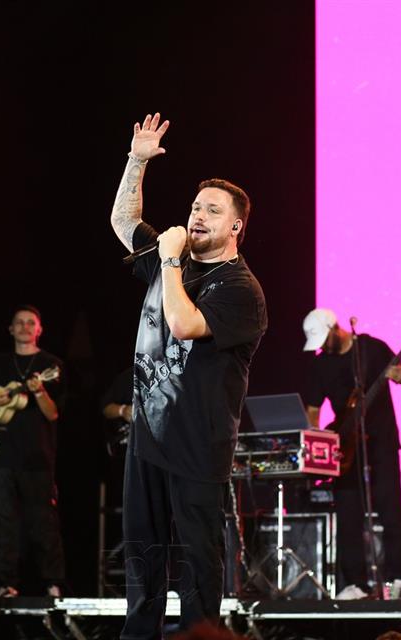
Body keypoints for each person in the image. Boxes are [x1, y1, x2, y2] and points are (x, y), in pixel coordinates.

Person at [110, 112, 267, 637]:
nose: (198, 215)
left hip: (199, 446)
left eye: (212, 211)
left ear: (235, 227)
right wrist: (136, 161)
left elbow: (183, 324)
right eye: (196, 206)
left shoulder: (241, 289)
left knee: (198, 569)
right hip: (148, 438)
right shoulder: (170, 259)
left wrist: (170, 261)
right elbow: (123, 222)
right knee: (142, 561)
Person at [302, 308, 401, 599]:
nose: (322, 347)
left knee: (391, 508)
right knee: (347, 513)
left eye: (323, 339)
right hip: (345, 448)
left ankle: (400, 578)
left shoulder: (371, 349)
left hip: (382, 442)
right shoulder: (321, 365)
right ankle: (354, 583)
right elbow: (312, 410)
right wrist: (320, 438)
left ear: (334, 328)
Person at [0, 305, 66, 598]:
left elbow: (53, 414)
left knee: (42, 521)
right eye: (19, 322)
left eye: (30, 323)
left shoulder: (51, 364)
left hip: (36, 456)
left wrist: (39, 391)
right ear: (10, 329)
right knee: (1, 519)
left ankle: (52, 584)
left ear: (39, 330)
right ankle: (6, 583)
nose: (25, 327)